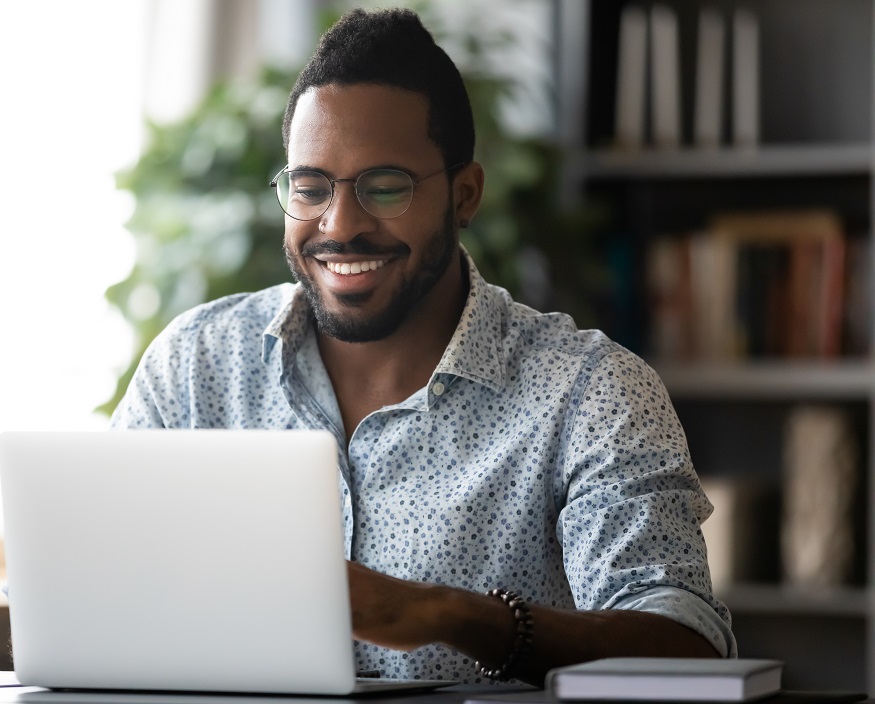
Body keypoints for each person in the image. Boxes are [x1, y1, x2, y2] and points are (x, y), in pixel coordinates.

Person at [111, 7, 735, 686]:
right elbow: (91, 589)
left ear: (463, 196)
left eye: (385, 188)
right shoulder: (194, 366)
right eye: (310, 186)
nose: (339, 225)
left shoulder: (589, 391)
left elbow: (685, 648)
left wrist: (448, 614)